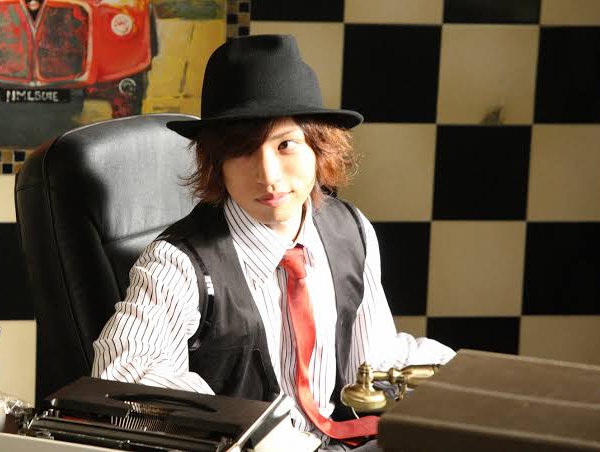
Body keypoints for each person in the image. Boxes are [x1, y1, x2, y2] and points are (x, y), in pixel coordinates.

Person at [92, 34, 454, 449]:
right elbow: (121, 372)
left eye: (286, 145)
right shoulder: (175, 262)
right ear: (216, 164)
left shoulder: (351, 229)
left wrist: (468, 380)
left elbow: (374, 360)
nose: (268, 175)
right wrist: (247, 430)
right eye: (242, 151)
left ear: (319, 148)